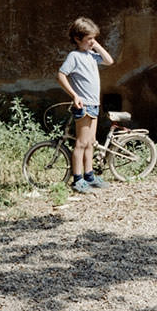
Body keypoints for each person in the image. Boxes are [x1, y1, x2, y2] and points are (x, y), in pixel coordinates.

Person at [57, 17, 114, 194]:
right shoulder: (74, 56)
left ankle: (89, 176)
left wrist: (96, 45)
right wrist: (74, 95)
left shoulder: (90, 55)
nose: (92, 41)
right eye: (88, 39)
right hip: (84, 105)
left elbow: (109, 61)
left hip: (94, 104)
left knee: (90, 142)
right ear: (77, 38)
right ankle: (78, 179)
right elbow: (61, 75)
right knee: (81, 143)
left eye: (93, 38)